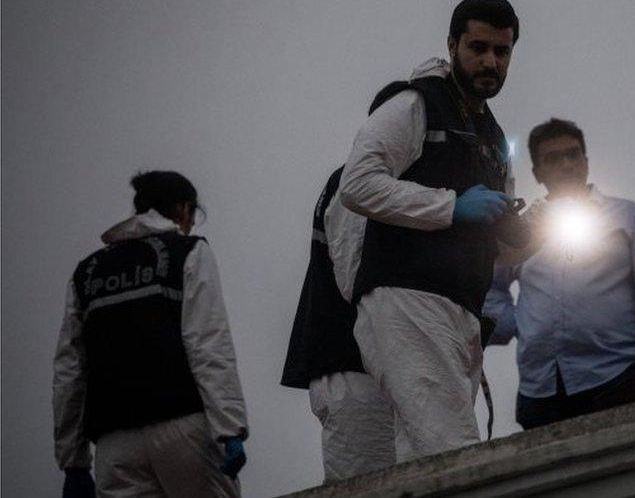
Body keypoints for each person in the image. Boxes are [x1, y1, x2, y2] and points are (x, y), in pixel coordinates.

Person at [337, 0, 523, 460]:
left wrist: (517, 230)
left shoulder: (493, 135)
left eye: (501, 52)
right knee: (454, 452)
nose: (489, 62)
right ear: (452, 44)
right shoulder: (415, 103)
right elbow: (357, 184)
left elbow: (494, 237)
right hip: (408, 300)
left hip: (460, 309)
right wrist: (450, 206)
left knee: (419, 458)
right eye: (477, 48)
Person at [53, 171, 249, 498]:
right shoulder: (188, 252)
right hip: (184, 429)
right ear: (183, 209)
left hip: (114, 446)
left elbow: (70, 372)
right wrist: (230, 427)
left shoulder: (86, 273)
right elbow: (207, 344)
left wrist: (72, 460)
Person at [485, 118, 635, 429]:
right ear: (537, 173)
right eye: (552, 158)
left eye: (573, 154)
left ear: (586, 161)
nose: (566, 164)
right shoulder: (522, 231)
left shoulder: (627, 218)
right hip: (540, 389)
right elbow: (491, 289)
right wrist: (517, 321)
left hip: (613, 376)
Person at [280, 167, 396, 481]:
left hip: (369, 369)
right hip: (358, 371)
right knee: (371, 486)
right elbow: (355, 278)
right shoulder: (364, 179)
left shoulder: (366, 178)